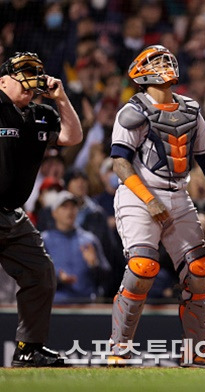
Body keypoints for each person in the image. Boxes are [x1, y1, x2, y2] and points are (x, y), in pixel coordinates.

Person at [108, 45, 205, 368]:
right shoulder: (133, 109)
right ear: (141, 72)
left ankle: (196, 349)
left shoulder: (191, 109)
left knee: (200, 269)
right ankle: (118, 346)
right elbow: (120, 163)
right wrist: (149, 199)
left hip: (179, 193)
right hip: (138, 194)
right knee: (142, 268)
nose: (164, 63)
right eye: (155, 60)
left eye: (165, 58)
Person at [0, 52, 82, 366]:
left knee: (40, 273)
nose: (30, 79)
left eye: (34, 73)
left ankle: (28, 348)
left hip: (13, 214)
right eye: (21, 73)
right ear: (2, 80)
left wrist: (61, 98)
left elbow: (72, 137)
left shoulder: (42, 114)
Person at [41, 191, 111, 303]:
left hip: (86, 304)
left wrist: (94, 265)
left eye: (73, 207)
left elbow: (106, 277)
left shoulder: (89, 239)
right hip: (55, 305)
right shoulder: (44, 240)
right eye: (64, 207)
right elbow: (35, 276)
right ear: (54, 213)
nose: (69, 211)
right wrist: (58, 279)